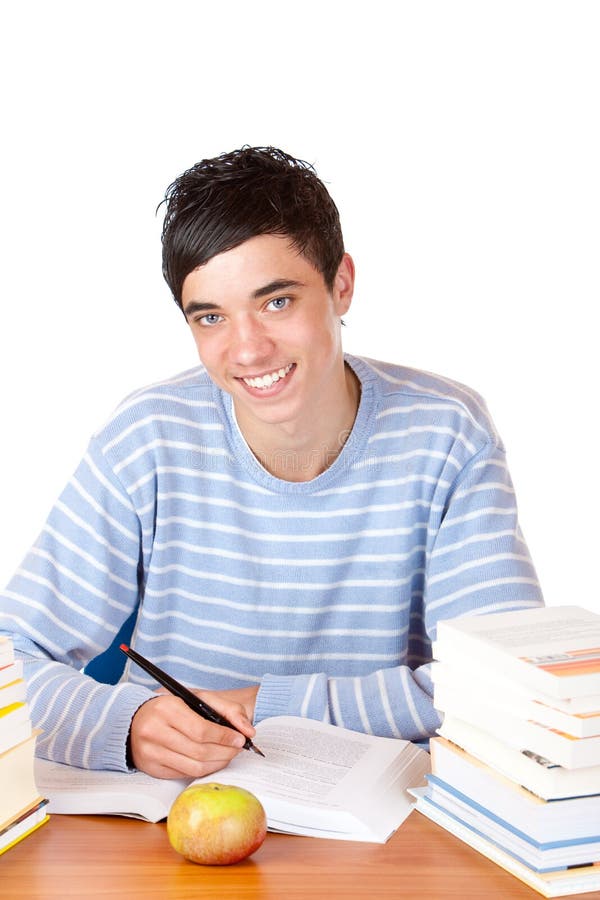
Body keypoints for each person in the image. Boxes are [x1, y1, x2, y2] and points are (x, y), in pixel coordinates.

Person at [0, 146, 543, 780]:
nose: (249, 348)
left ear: (340, 285)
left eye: (277, 301)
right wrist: (127, 726)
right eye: (211, 317)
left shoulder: (447, 433)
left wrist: (272, 706)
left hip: (393, 823)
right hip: (180, 817)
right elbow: (13, 659)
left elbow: (506, 685)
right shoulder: (147, 438)